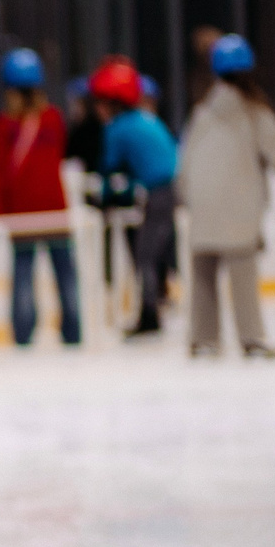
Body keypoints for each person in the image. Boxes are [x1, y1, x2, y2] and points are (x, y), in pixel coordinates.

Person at [177, 34, 275, 359]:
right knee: (243, 273)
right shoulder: (255, 112)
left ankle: (203, 339)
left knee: (203, 272)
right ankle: (251, 338)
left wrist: (187, 197)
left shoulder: (202, 112)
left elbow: (185, 160)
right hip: (240, 204)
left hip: (203, 204)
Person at [0, 48, 80, 347]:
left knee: (23, 272)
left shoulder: (3, 125)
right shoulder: (52, 118)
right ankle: (73, 330)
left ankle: (23, 332)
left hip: (22, 211)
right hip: (54, 208)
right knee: (65, 272)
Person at [89, 56, 180, 337]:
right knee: (150, 252)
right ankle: (152, 307)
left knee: (145, 255)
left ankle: (150, 315)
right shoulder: (143, 119)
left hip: (161, 193)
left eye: (100, 103)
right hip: (168, 190)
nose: (97, 110)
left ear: (112, 103)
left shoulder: (118, 129)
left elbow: (110, 169)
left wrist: (103, 199)